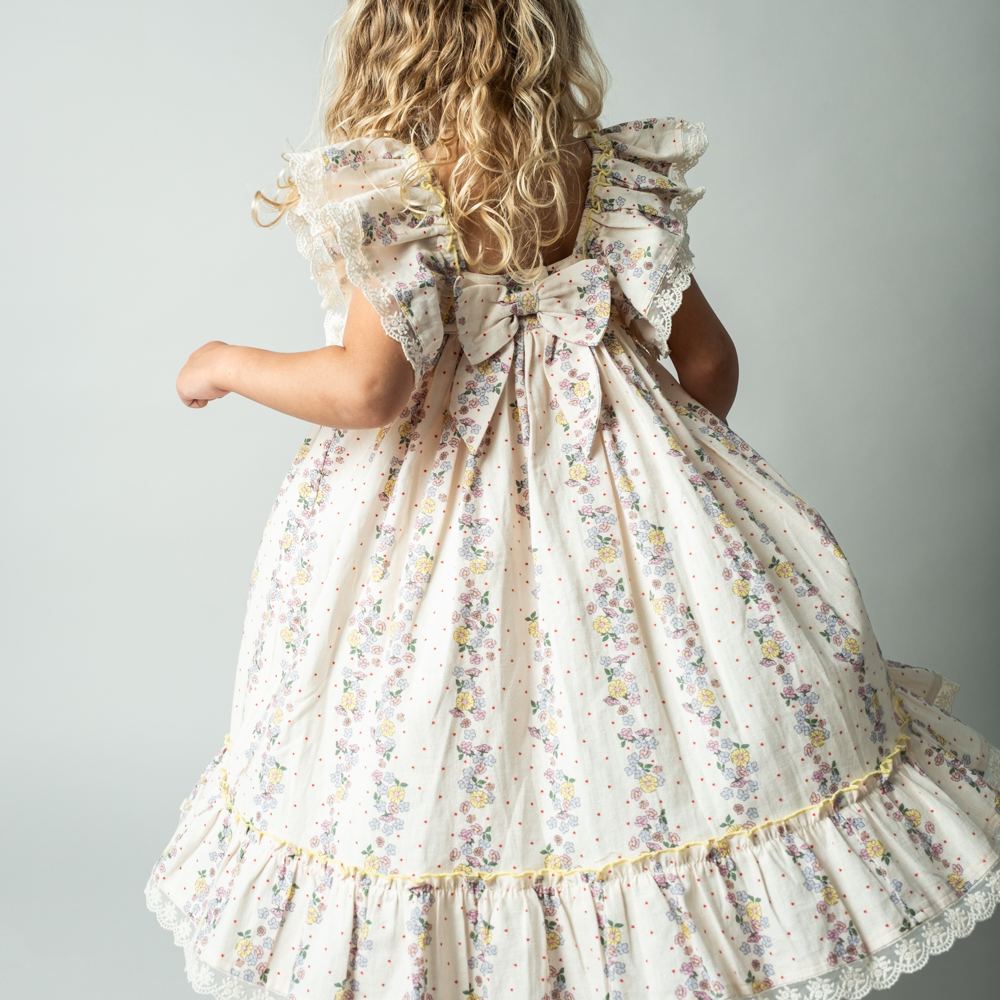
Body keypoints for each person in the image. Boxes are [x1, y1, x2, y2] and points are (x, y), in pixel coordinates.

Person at [144, 2, 1000, 997]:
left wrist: (224, 361)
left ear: (391, 44)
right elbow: (707, 363)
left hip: (439, 535)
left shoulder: (396, 189)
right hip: (610, 514)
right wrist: (658, 458)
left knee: (441, 743)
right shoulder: (600, 175)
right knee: (616, 742)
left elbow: (370, 391)